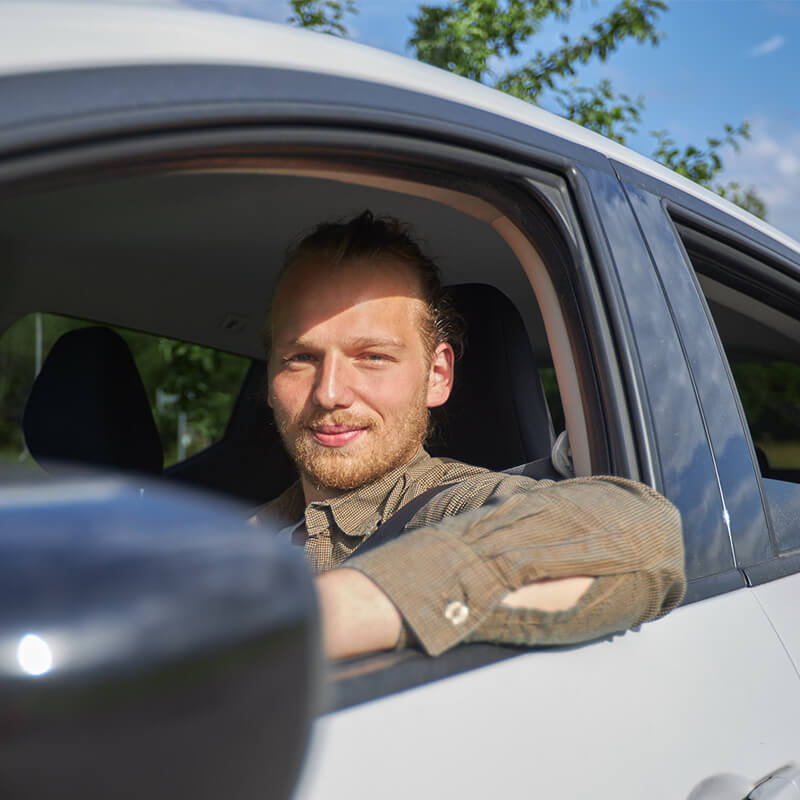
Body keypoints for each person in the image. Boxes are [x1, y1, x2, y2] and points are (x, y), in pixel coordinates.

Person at [253, 211, 685, 660]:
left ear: (437, 375)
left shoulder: (463, 506)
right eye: (300, 357)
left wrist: (355, 604)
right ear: (269, 380)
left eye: (373, 357)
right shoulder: (227, 535)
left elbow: (644, 530)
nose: (329, 393)